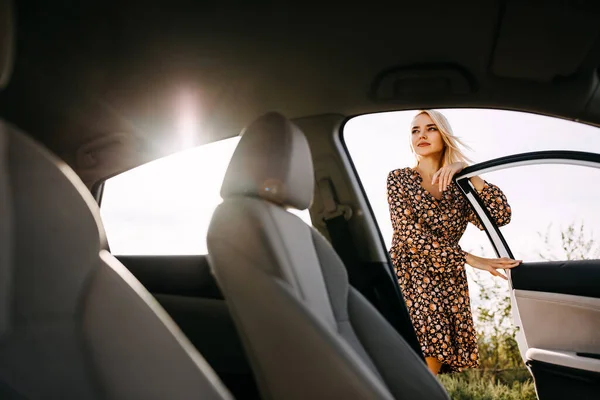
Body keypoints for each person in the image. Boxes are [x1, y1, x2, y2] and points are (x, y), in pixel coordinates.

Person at [386, 109, 521, 376]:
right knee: (407, 361)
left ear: (444, 135)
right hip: (408, 275)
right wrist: (469, 259)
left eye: (430, 128)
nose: (421, 135)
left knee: (428, 368)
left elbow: (500, 215)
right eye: (415, 130)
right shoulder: (398, 178)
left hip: (446, 280)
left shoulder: (461, 189)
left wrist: (469, 172)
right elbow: (409, 234)